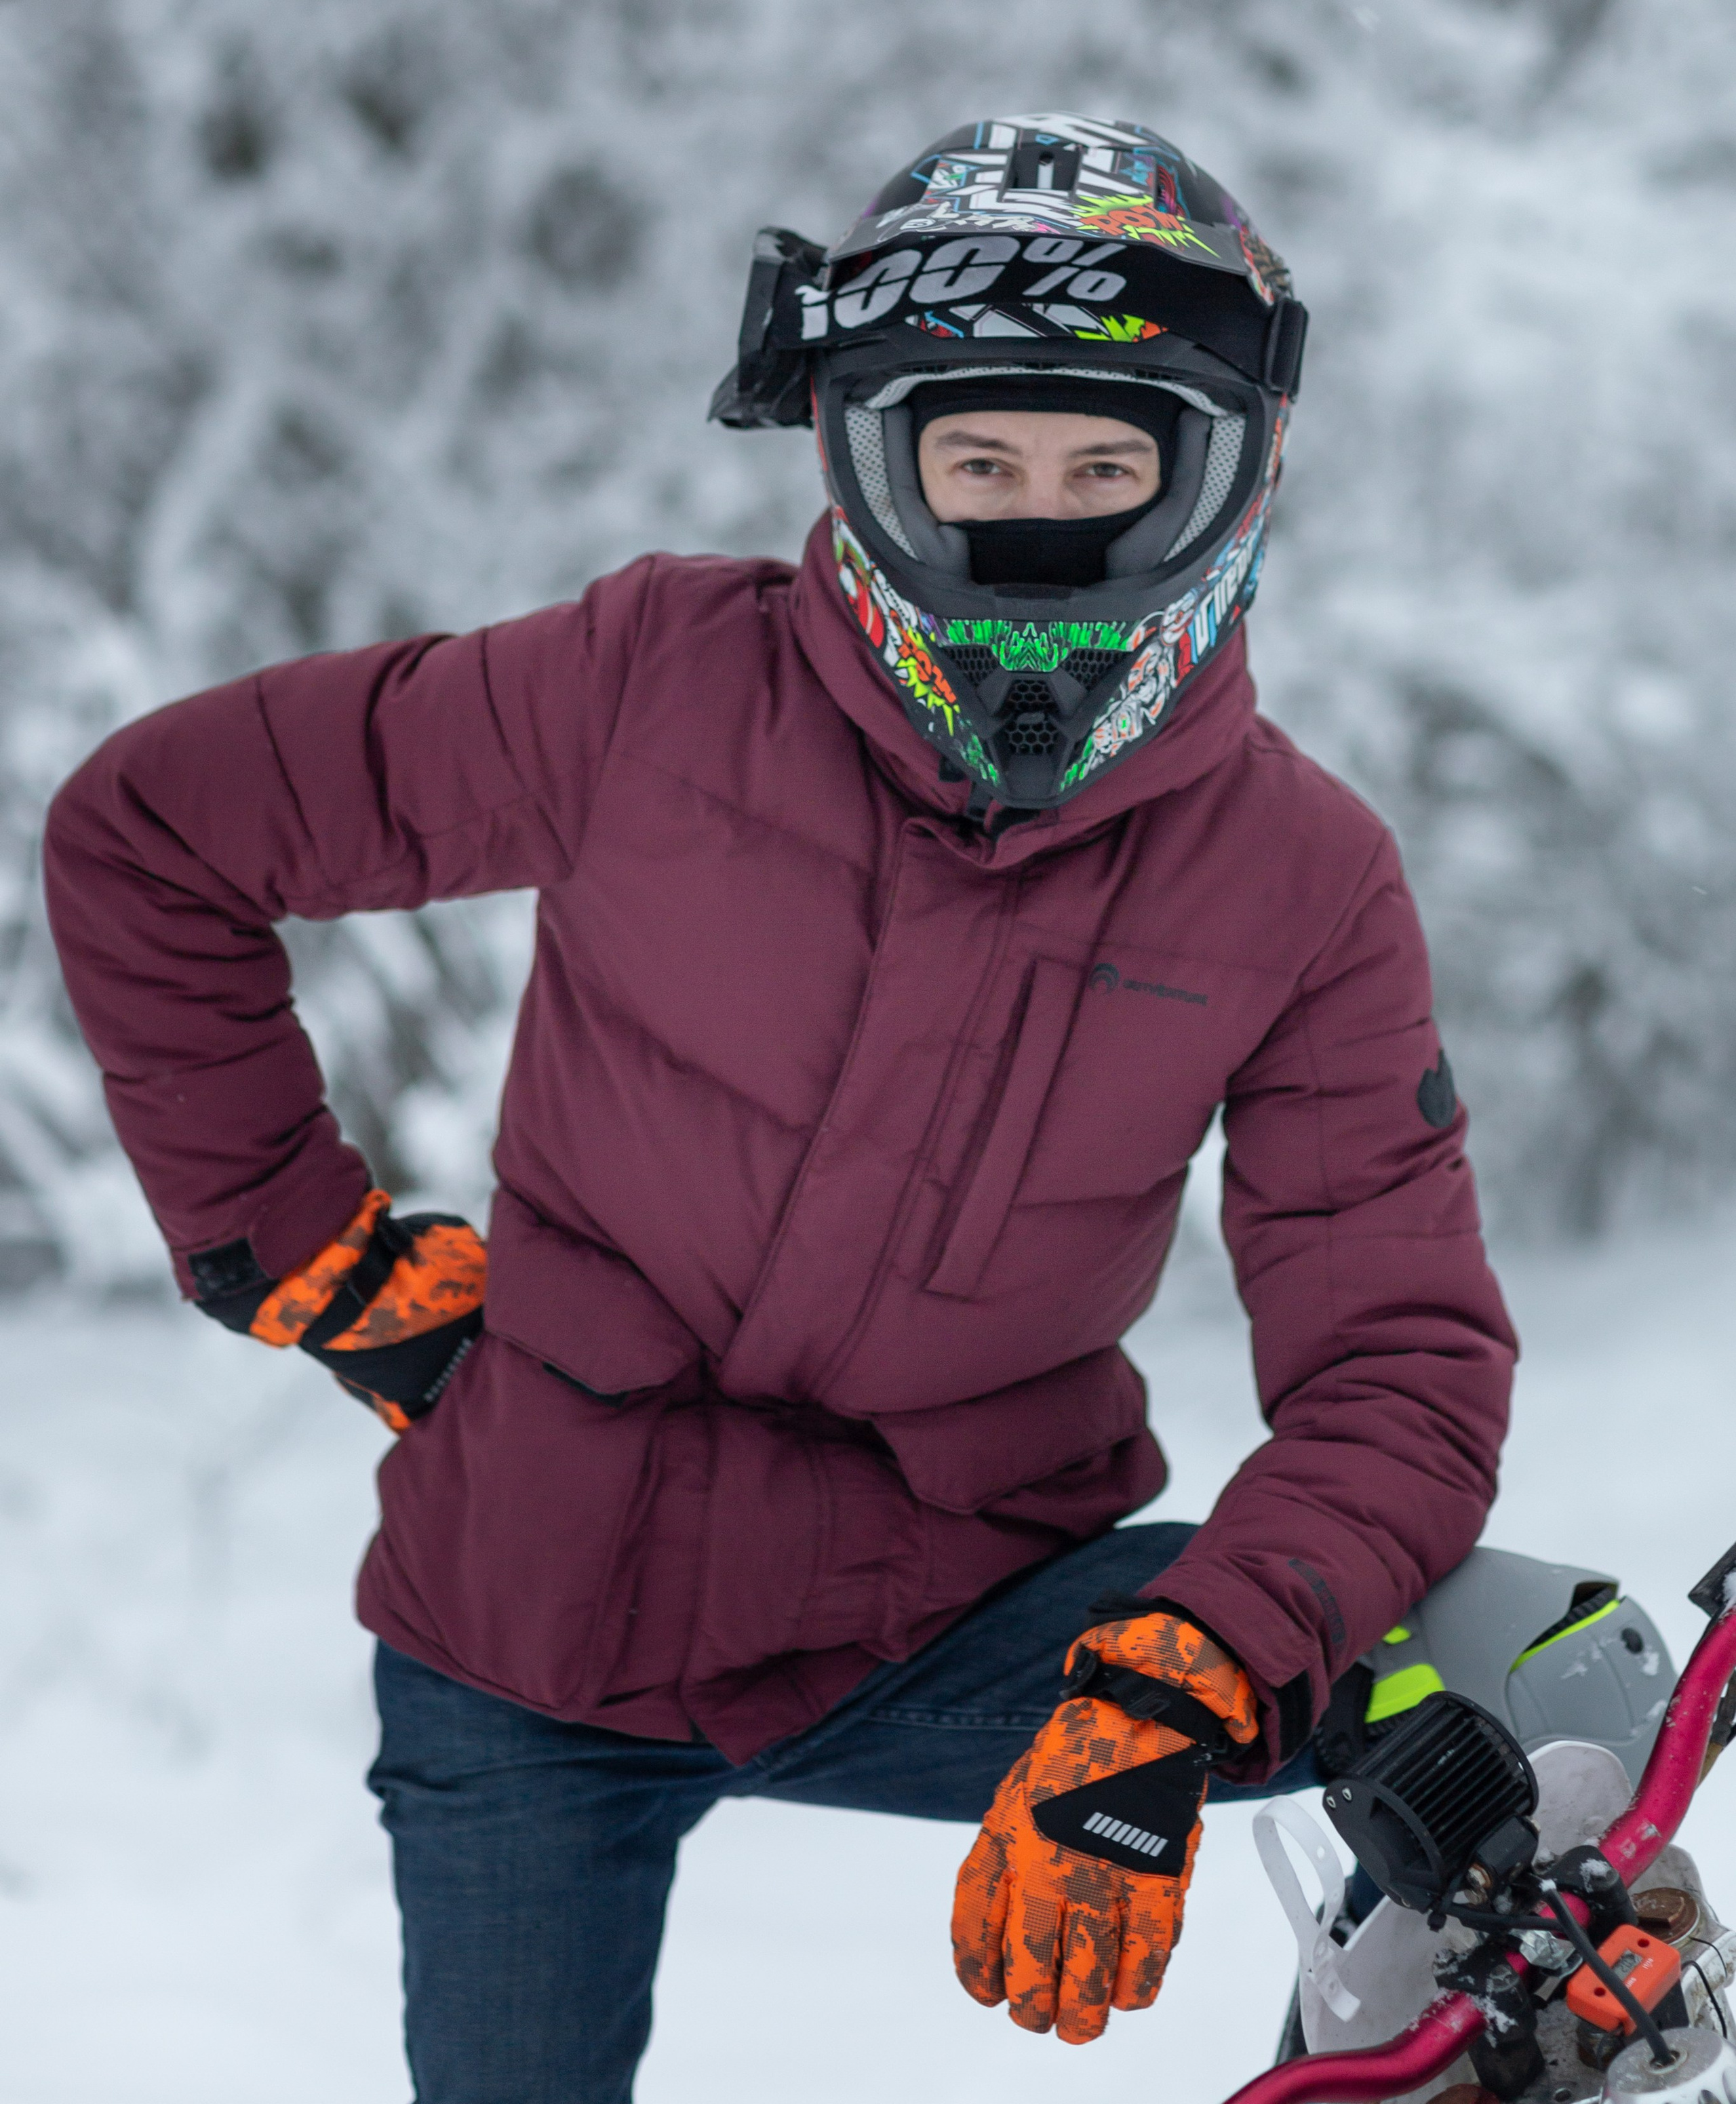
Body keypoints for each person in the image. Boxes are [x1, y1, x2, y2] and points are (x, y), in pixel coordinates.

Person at [44, 113, 1516, 2103]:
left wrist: (1193, 1667)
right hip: (527, 1629)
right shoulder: (656, 682)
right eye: (978, 466)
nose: (1037, 529)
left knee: (1526, 1684)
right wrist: (300, 1253)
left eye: (1108, 472)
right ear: (866, 453)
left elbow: (1399, 1360)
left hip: (973, 1623)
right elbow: (158, 835)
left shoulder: (1300, 875)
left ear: (1224, 480)